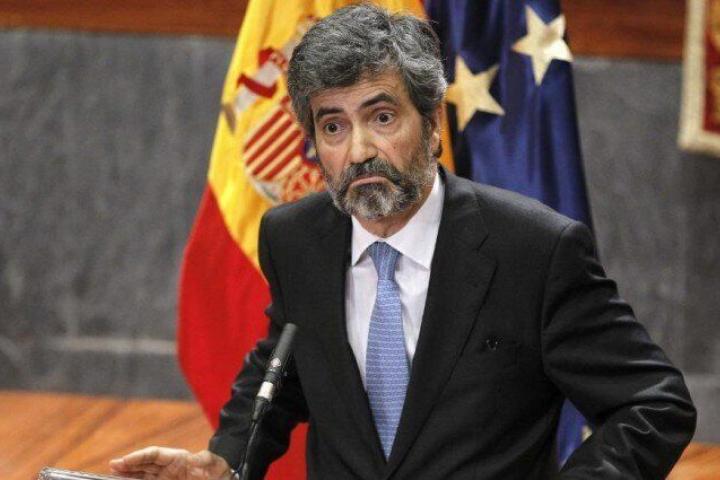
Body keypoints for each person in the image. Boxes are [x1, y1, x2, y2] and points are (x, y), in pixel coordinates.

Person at [110, 4, 696, 479]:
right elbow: (287, 364)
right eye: (333, 126)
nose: (359, 149)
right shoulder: (295, 239)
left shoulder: (534, 250)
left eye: (382, 117)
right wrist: (227, 459)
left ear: (432, 123)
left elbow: (654, 401)